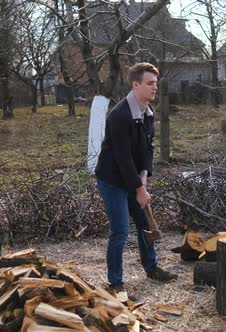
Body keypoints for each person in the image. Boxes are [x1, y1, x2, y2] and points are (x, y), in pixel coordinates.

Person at [95, 63, 178, 292]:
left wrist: (143, 181)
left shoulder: (148, 112)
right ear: (135, 84)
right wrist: (138, 189)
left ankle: (151, 268)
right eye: (150, 83)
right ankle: (115, 282)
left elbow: (147, 150)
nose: (155, 88)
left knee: (144, 224)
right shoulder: (119, 116)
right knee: (121, 230)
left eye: (156, 83)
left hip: (132, 176)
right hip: (112, 179)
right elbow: (123, 158)